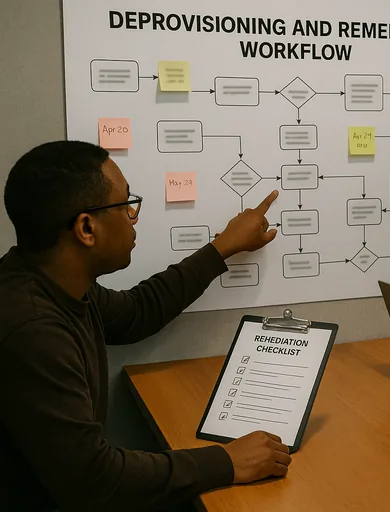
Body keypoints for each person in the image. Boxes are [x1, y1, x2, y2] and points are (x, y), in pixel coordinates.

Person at [0, 141, 291, 511]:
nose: (133, 216)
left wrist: (222, 248)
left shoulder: (49, 282)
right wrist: (229, 462)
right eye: (124, 205)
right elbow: (93, 480)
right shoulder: (32, 328)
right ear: (87, 228)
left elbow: (137, 312)